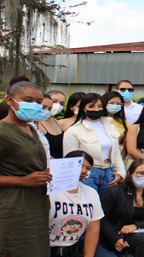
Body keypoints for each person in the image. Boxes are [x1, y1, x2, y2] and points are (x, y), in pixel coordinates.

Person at [0, 81, 52, 257]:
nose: (34, 106)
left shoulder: (30, 129)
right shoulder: (2, 131)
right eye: (27, 100)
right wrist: (22, 180)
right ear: (9, 100)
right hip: (14, 208)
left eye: (38, 102)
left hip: (36, 205)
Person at [49, 150, 115, 257]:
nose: (84, 171)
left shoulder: (91, 193)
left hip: (74, 246)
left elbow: (93, 228)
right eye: (80, 166)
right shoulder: (50, 192)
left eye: (88, 168)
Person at [100, 159, 144, 257]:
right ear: (130, 173)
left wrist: (135, 226)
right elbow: (103, 219)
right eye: (140, 173)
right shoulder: (115, 192)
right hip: (119, 234)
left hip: (142, 230)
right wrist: (115, 239)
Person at [63, 93, 126, 198]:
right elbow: (70, 159)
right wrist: (77, 176)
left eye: (99, 106)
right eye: (91, 106)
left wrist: (120, 173)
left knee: (107, 206)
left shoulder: (110, 127)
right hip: (87, 174)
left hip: (109, 172)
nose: (96, 109)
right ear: (84, 108)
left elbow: (116, 153)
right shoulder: (73, 130)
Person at [37, 94, 64, 159]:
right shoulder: (36, 124)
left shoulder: (55, 121)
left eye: (49, 108)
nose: (46, 110)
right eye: (43, 107)